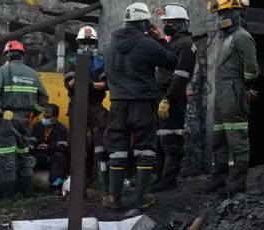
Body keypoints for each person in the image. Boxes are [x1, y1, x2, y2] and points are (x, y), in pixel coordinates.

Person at [101, 2, 177, 210]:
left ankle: (114, 198)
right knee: (145, 149)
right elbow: (171, 61)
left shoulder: (111, 45)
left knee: (116, 149)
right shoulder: (146, 43)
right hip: (142, 104)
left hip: (117, 104)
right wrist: (161, 39)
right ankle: (142, 198)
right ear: (143, 23)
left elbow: (107, 73)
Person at [196, 0, 258, 195]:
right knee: (219, 140)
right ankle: (218, 179)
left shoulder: (242, 37)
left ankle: (237, 184)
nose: (219, 18)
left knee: (237, 141)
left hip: (234, 96)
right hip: (222, 98)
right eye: (218, 14)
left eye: (223, 13)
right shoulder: (225, 38)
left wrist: (245, 88)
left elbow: (251, 69)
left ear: (236, 12)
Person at [0, 40, 49, 199]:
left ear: (7, 55)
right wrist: (34, 113)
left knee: (7, 155)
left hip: (7, 118)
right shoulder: (32, 73)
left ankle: (10, 194)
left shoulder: (4, 70)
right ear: (22, 55)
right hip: (25, 120)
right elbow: (44, 97)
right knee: (24, 153)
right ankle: (26, 190)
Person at [150, 4, 196, 193]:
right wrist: (160, 40)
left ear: (181, 24)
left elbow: (180, 75)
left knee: (171, 138)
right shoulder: (176, 43)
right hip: (163, 94)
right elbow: (168, 53)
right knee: (161, 139)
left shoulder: (185, 44)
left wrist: (168, 99)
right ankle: (161, 178)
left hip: (173, 97)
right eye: (166, 22)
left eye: (170, 22)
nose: (167, 25)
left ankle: (169, 181)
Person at [64, 26, 108, 196]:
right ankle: (78, 187)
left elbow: (106, 84)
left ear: (95, 43)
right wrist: (79, 77)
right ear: (78, 44)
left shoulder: (101, 62)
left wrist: (92, 84)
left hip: (96, 105)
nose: (87, 46)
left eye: (90, 43)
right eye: (84, 43)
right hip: (77, 105)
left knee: (101, 146)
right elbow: (68, 84)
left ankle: (102, 185)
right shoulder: (73, 61)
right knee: (77, 148)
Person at [30, 103, 69, 190]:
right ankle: (25, 186)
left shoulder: (61, 129)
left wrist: (49, 147)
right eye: (44, 116)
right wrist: (32, 146)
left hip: (50, 157)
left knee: (59, 157)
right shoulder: (38, 126)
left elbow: (63, 148)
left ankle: (56, 186)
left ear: (55, 117)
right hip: (37, 156)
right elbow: (32, 140)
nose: (45, 119)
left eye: (48, 117)